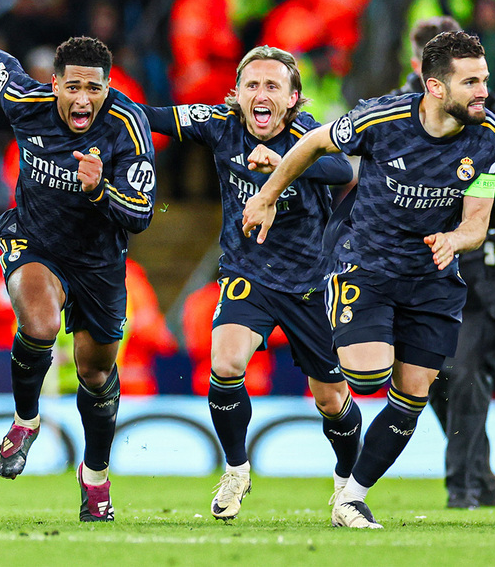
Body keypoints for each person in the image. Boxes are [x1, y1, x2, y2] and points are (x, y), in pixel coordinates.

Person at [242, 31, 495, 528]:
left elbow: (477, 221)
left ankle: (351, 498)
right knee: (367, 376)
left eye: (484, 79)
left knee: (414, 393)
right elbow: (317, 142)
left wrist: (456, 240)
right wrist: (269, 195)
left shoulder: (490, 136)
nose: (483, 91)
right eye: (471, 81)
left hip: (431, 274)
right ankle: (331, 373)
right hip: (365, 263)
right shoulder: (382, 119)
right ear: (434, 87)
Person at [0, 37, 156, 522]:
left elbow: (141, 214)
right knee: (41, 325)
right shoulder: (28, 102)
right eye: (71, 86)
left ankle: (94, 475)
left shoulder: (127, 125)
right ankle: (25, 420)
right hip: (34, 241)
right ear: (54, 84)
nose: (81, 99)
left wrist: (100, 190)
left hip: (98, 262)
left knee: (95, 374)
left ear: (107, 87)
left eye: (93, 88)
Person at [146, 45, 360, 520]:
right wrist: (98, 105)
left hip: (312, 283)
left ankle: (347, 485)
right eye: (252, 85)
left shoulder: (309, 135)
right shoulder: (221, 124)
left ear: (293, 98)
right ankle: (237, 468)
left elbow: (342, 168)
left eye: (272, 86)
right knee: (224, 363)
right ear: (237, 94)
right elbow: (154, 116)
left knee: (331, 398)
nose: (260, 94)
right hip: (249, 273)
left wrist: (283, 166)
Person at [402, 18, 495, 510]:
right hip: (414, 268)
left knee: (463, 372)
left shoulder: (491, 109)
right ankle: (480, 476)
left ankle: (462, 489)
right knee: (436, 375)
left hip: (477, 267)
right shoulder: (399, 114)